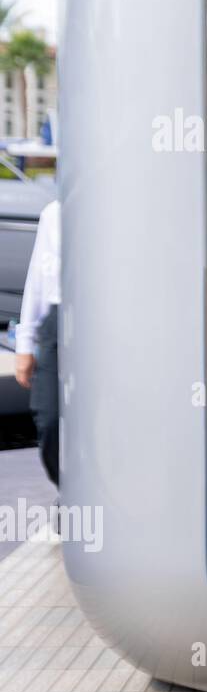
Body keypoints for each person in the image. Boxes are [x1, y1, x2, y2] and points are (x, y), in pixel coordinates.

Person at [15, 198, 60, 487]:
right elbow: (38, 280)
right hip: (58, 322)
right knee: (49, 417)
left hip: (110, 321)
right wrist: (25, 343)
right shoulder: (55, 213)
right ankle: (69, 492)